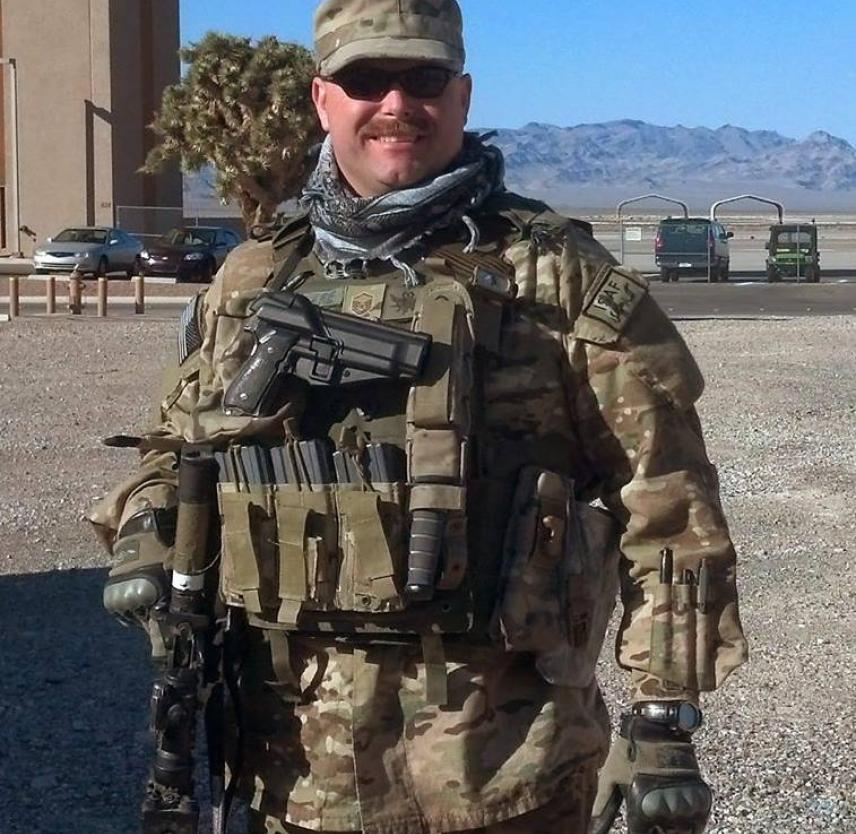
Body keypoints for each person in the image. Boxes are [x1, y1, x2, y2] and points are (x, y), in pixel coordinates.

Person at [90, 2, 748, 832]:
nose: (397, 104)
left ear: (463, 96)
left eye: (424, 79)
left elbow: (670, 506)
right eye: (368, 79)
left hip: (505, 777)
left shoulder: (560, 280)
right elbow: (175, 448)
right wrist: (145, 532)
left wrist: (663, 724)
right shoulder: (254, 280)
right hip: (293, 775)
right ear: (323, 98)